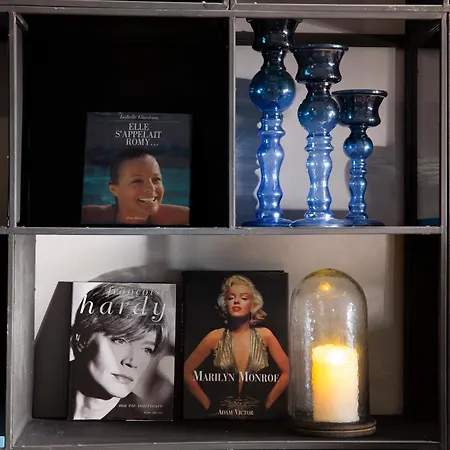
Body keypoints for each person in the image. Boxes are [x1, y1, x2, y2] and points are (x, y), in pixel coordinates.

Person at [183, 275, 289, 417]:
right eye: (231, 298)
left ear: (253, 305)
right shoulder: (214, 337)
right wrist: (208, 405)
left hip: (257, 419)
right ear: (225, 304)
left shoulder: (266, 335)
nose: (237, 301)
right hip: (219, 419)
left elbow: (288, 372)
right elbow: (186, 371)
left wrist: (267, 404)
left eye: (244, 298)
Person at [68, 282, 171, 420]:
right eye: (120, 341)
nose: (132, 362)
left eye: (146, 349)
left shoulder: (143, 422)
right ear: (81, 340)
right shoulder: (47, 390)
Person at [81, 148, 190, 226]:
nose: (151, 188)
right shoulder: (90, 217)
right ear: (114, 190)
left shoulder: (180, 217)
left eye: (156, 179)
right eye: (137, 181)